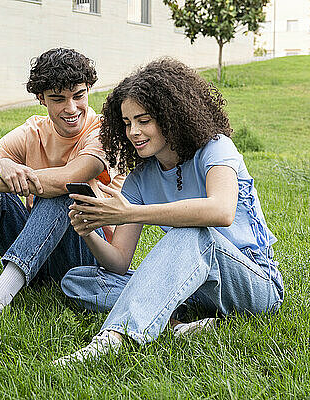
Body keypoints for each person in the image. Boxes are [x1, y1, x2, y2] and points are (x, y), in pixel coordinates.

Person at [54, 58, 284, 365]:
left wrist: (129, 214)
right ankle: (177, 325)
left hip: (254, 284)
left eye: (143, 120)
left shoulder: (216, 148)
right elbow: (119, 264)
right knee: (79, 279)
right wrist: (90, 232)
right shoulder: (139, 180)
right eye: (126, 123)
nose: (133, 131)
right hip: (194, 287)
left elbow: (221, 211)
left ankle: (114, 338)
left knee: (193, 231)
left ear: (171, 117)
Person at [0, 48, 122, 328]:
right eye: (58, 99)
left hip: (86, 256)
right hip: (38, 249)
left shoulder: (102, 132)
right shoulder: (33, 132)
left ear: (89, 90)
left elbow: (70, 178)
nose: (72, 108)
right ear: (41, 99)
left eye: (79, 95)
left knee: (63, 191)